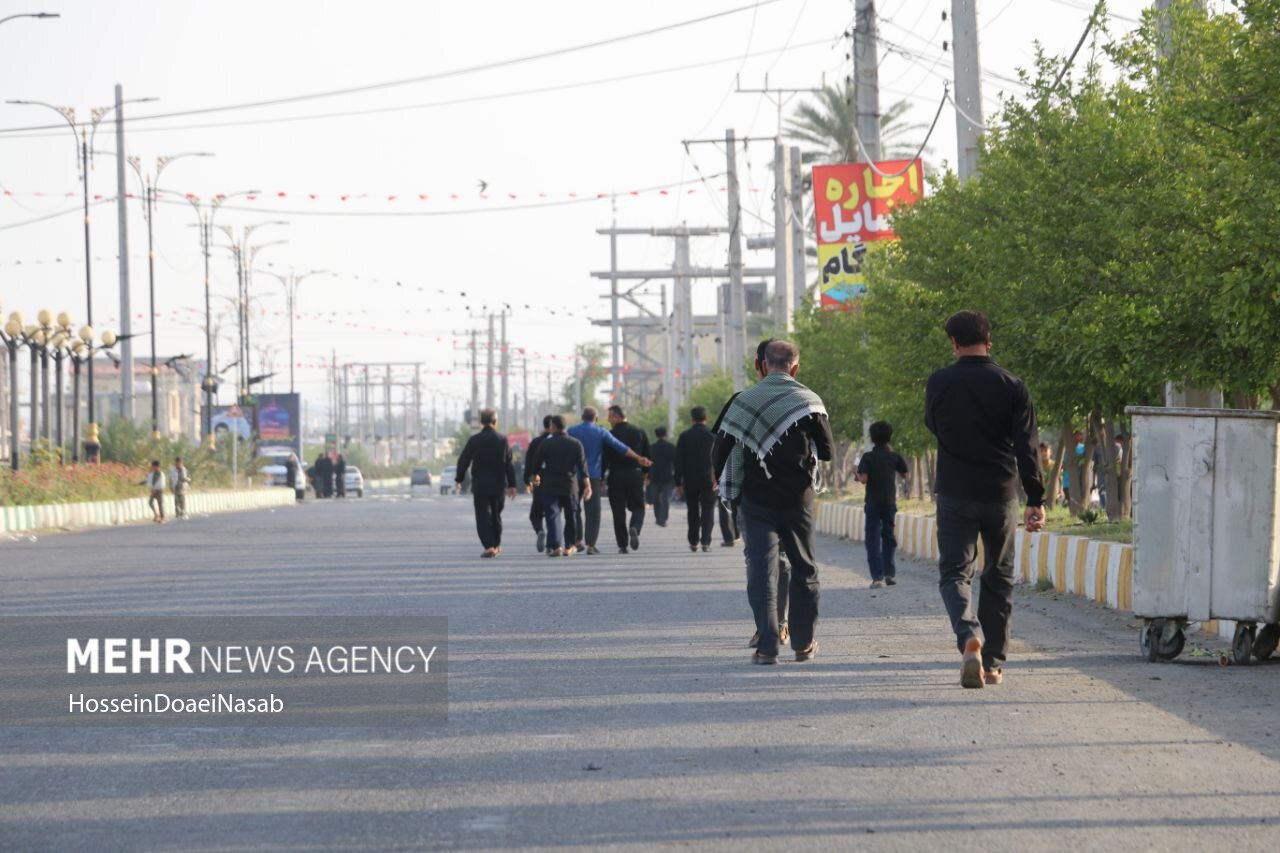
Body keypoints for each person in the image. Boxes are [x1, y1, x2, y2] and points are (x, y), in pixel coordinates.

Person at [925, 309, 1045, 689]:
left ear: (954, 343)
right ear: (989, 341)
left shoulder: (940, 382)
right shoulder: (1013, 385)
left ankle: (968, 638)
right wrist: (1036, 497)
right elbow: (1027, 447)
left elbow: (933, 424)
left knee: (954, 573)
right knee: (999, 575)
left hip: (956, 491)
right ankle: (992, 663)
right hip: (1001, 493)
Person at [714, 339, 833, 665]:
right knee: (804, 568)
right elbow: (827, 451)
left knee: (761, 569)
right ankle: (804, 644)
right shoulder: (809, 401)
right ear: (795, 368)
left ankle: (767, 645)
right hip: (798, 500)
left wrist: (723, 480)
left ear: (762, 365)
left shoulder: (743, 401)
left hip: (756, 500)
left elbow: (720, 449)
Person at [567, 406, 651, 555]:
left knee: (574, 509)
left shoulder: (571, 431)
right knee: (593, 511)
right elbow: (621, 447)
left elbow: (560, 445)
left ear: (582, 418)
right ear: (596, 419)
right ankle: (591, 545)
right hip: (594, 476)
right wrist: (639, 458)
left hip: (575, 476)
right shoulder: (601, 432)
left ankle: (577, 540)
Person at [455, 409, 518, 558]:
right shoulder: (502, 440)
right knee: (496, 515)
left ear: (481, 422)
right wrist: (512, 485)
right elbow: (509, 464)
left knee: (483, 516)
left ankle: (489, 546)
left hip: (480, 485)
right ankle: (496, 544)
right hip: (498, 485)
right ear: (495, 422)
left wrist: (459, 478)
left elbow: (463, 460)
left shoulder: (474, 440)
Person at [527, 415, 591, 557]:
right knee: (571, 515)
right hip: (570, 485)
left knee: (552, 515)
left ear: (553, 427)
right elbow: (583, 467)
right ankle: (569, 546)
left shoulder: (546, 444)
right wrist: (588, 485)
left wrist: (535, 478)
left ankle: (556, 547)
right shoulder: (576, 443)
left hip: (550, 485)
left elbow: (536, 465)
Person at [857, 421, 908, 589]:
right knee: (888, 536)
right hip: (889, 503)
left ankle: (877, 578)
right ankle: (890, 574)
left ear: (872, 438)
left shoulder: (868, 457)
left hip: (873, 503)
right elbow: (904, 474)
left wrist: (855, 473)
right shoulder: (894, 457)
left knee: (872, 539)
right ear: (889, 437)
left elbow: (864, 479)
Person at [603, 405, 650, 553]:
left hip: (615, 476)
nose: (608, 420)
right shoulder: (639, 432)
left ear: (617, 417)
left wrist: (600, 477)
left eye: (610, 417)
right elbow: (647, 455)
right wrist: (645, 473)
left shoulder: (609, 435)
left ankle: (623, 545)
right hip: (634, 474)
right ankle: (634, 527)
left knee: (618, 511)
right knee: (638, 507)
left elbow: (604, 458)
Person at [675, 406, 718, 552]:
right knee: (708, 509)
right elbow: (719, 458)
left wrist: (677, 482)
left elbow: (678, 460)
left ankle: (693, 542)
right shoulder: (713, 435)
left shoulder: (684, 436)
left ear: (692, 419)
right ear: (706, 418)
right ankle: (705, 542)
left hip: (690, 480)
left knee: (692, 510)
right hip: (709, 479)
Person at [524, 416, 553, 553]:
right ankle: (552, 545)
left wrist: (527, 481)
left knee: (535, 513)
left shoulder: (536, 442)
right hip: (557, 482)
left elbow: (529, 463)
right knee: (553, 513)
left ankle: (540, 531)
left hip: (539, 481)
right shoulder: (560, 441)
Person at [647, 426, 676, 527]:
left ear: (656, 435)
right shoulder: (671, 447)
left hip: (654, 476)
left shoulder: (651, 447)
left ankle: (657, 517)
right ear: (666, 434)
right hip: (667, 476)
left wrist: (647, 476)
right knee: (665, 499)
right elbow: (676, 462)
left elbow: (648, 463)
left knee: (656, 499)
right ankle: (663, 519)